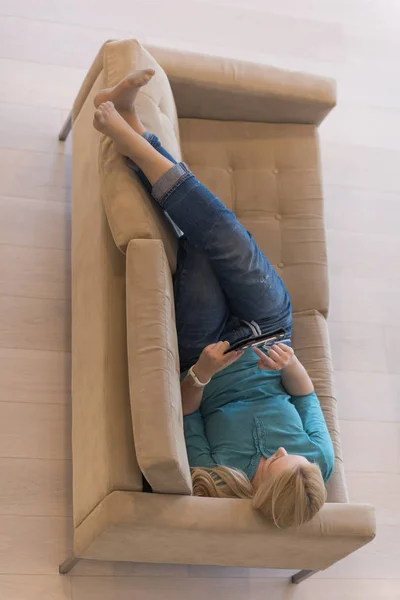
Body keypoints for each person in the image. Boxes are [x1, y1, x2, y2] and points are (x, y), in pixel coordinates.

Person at [93, 69, 335, 528]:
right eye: (293, 457)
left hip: (207, 352)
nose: (285, 451)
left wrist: (202, 373)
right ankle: (134, 138)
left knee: (202, 248)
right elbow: (306, 396)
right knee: (224, 235)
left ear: (259, 486)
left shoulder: (221, 478)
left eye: (275, 461)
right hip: (268, 330)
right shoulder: (318, 463)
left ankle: (134, 134)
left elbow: (186, 416)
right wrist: (288, 366)